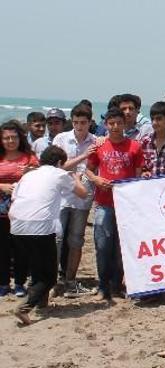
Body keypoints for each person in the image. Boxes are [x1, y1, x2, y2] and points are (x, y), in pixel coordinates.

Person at [10, 146, 87, 325]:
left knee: (37, 267)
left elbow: (15, 197)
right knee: (50, 276)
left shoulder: (28, 175)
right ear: (60, 163)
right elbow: (83, 193)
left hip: (17, 225)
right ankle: (25, 307)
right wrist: (75, 176)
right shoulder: (59, 174)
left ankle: (41, 303)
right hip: (40, 227)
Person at [86, 108, 145, 300]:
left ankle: (117, 286)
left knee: (122, 248)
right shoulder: (99, 146)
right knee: (102, 246)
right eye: (111, 123)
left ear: (124, 124)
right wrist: (96, 180)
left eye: (119, 123)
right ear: (106, 125)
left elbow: (138, 176)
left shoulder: (135, 147)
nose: (115, 127)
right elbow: (89, 171)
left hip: (126, 206)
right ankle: (103, 286)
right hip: (103, 204)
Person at [51, 104, 98, 298]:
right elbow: (57, 167)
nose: (79, 126)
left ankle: (70, 281)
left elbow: (95, 169)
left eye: (83, 122)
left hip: (83, 198)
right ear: (72, 121)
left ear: (90, 122)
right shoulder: (61, 138)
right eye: (76, 122)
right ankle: (52, 280)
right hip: (61, 197)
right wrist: (84, 156)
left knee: (76, 240)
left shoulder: (96, 141)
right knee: (57, 239)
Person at [0, 120, 38, 297]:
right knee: (2, 248)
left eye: (13, 137)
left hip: (22, 211)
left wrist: (28, 174)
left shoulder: (29, 157)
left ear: (20, 138)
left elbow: (39, 179)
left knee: (21, 248)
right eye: (6, 138)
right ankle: (3, 283)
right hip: (1, 212)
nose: (10, 141)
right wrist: (2, 186)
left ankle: (20, 283)